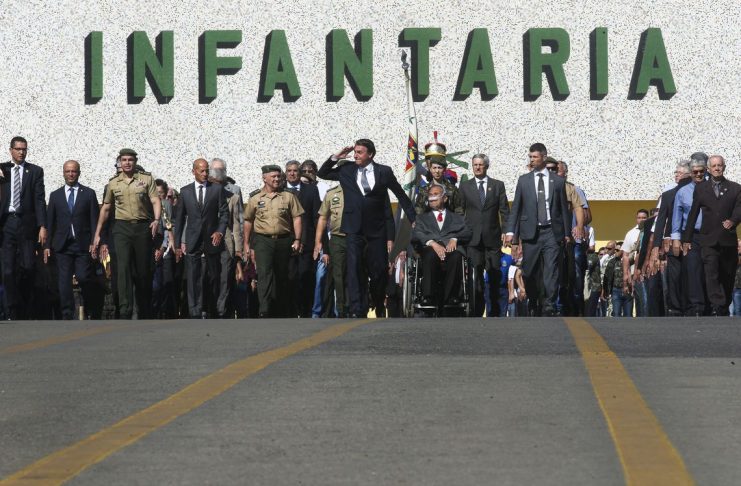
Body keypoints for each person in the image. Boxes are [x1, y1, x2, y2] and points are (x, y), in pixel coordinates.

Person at [317, 139, 416, 318]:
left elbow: (400, 194)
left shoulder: (384, 171)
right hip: (353, 229)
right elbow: (322, 173)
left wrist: (413, 217)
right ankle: (357, 309)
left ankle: (378, 301)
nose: (355, 155)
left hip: (376, 229)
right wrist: (336, 157)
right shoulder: (347, 170)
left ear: (370, 154)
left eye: (359, 152)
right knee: (354, 269)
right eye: (355, 152)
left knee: (379, 271)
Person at [93, 148, 161, 319]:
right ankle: (125, 309)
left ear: (135, 162)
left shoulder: (146, 179)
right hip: (121, 228)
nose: (127, 163)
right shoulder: (113, 183)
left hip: (142, 227)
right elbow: (106, 209)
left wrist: (156, 220)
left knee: (143, 270)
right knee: (123, 268)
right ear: (120, 163)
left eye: (130, 160)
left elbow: (155, 200)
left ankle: (144, 309)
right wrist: (97, 234)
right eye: (124, 160)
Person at [505, 143, 571, 317]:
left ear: (543, 157)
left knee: (551, 269)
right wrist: (511, 233)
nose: (532, 160)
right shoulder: (524, 180)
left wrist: (566, 233)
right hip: (530, 233)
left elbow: (563, 209)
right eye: (530, 157)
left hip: (551, 232)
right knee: (529, 271)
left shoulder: (557, 181)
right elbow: (516, 208)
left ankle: (549, 304)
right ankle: (534, 299)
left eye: (535, 157)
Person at [683, 155, 741, 316]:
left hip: (727, 239)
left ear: (724, 167)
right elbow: (693, 213)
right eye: (714, 166)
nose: (717, 168)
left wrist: (733, 220)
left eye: (719, 165)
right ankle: (717, 305)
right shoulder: (701, 188)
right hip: (708, 239)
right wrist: (687, 238)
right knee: (711, 272)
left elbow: (739, 208)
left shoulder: (735, 188)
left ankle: (724, 303)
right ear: (709, 169)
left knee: (727, 274)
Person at [243, 165, 303, 318]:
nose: (277, 179)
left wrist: (297, 239)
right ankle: (264, 309)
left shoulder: (288, 196)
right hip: (263, 240)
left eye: (278, 176)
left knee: (282, 274)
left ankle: (281, 309)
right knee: (264, 273)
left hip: (284, 239)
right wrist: (246, 244)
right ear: (264, 178)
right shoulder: (255, 197)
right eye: (273, 176)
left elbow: (297, 217)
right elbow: (248, 220)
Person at [44, 160, 99, 320]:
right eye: (67, 171)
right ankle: (67, 313)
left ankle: (89, 308)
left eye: (73, 171)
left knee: (83, 277)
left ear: (79, 173)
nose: (70, 174)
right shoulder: (55, 195)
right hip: (62, 245)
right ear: (63, 173)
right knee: (64, 281)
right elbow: (50, 223)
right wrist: (47, 245)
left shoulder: (88, 194)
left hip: (83, 244)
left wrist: (94, 242)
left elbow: (94, 220)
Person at [173, 159, 229, 318]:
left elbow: (224, 213)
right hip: (193, 240)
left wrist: (220, 232)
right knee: (193, 277)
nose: (205, 174)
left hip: (212, 239)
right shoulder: (185, 192)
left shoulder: (216, 189)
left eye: (207, 171)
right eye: (201, 171)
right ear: (194, 172)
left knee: (213, 276)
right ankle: (195, 311)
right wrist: (178, 245)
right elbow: (179, 220)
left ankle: (212, 309)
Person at [0, 136, 48, 319]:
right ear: (11, 150)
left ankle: (24, 305)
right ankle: (12, 309)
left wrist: (42, 225)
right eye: (18, 149)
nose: (21, 152)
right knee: (7, 270)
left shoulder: (35, 171)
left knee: (28, 267)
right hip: (6, 223)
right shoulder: (3, 169)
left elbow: (39, 199)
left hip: (26, 223)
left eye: (24, 149)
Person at [459, 153, 510, 317]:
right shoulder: (465, 186)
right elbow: (460, 211)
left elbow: (504, 211)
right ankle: (476, 311)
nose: (478, 167)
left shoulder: (497, 185)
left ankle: (494, 312)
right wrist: (461, 233)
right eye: (475, 165)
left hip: (492, 238)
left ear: (486, 166)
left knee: (494, 275)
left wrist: (506, 231)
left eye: (480, 164)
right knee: (475, 278)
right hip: (473, 240)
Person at [411, 184, 472, 313]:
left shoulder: (457, 218)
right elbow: (416, 234)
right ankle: (428, 296)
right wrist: (432, 243)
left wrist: (455, 239)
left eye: (435, 194)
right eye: (430, 195)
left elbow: (467, 232)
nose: (432, 197)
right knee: (430, 254)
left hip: (451, 249)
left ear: (445, 198)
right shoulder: (421, 218)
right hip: (430, 249)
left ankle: (451, 296)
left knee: (456, 256)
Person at [649, 161, 692, 316]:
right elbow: (660, 222)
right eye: (676, 172)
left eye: (679, 173)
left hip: (689, 240)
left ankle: (686, 306)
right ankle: (677, 307)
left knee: (687, 274)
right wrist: (656, 246)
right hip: (672, 241)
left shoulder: (695, 192)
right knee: (675, 275)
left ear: (688, 174)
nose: (676, 175)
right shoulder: (667, 195)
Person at [671, 158, 708, 316]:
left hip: (711, 235)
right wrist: (676, 238)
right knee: (693, 269)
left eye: (701, 171)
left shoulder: (712, 189)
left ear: (706, 171)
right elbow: (677, 217)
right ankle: (696, 306)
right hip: (691, 236)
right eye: (695, 172)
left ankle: (711, 305)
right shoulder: (682, 192)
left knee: (710, 270)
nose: (698, 174)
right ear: (691, 173)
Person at [285, 160, 321, 317]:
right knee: (289, 278)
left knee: (306, 277)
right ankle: (291, 312)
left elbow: (316, 218)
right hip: (286, 242)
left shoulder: (311, 190)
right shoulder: (280, 189)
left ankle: (306, 312)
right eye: (289, 171)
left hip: (307, 242)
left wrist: (318, 242)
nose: (292, 173)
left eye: (295, 170)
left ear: (300, 173)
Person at [209, 163, 244, 318]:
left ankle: (221, 311)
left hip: (226, 243)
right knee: (210, 277)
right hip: (206, 242)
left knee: (224, 278)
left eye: (219, 183)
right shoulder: (203, 195)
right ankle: (209, 309)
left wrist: (238, 249)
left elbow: (236, 224)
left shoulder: (233, 198)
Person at [314, 185, 348, 317]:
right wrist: (318, 242)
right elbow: (322, 218)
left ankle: (356, 306)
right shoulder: (331, 194)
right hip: (336, 238)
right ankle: (341, 309)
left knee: (356, 272)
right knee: (337, 274)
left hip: (357, 237)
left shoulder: (360, 189)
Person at [414, 136, 463, 216]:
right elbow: (419, 211)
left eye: (439, 167)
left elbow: (459, 211)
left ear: (444, 169)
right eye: (434, 168)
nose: (437, 171)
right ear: (430, 168)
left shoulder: (452, 189)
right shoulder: (424, 190)